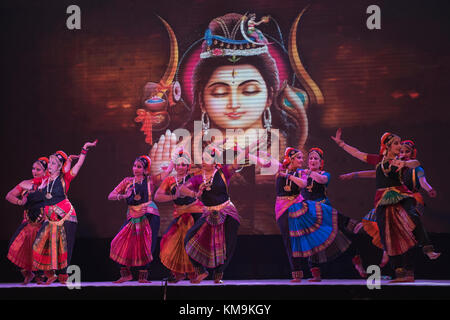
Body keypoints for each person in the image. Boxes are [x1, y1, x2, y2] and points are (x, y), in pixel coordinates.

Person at [332, 129, 439, 282]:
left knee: (413, 217)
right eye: (396, 143)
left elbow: (417, 163)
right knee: (388, 235)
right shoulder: (378, 160)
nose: (399, 146)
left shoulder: (400, 162)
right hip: (383, 199)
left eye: (400, 144)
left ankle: (428, 248)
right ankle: (399, 273)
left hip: (401, 195)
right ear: (388, 146)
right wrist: (342, 144)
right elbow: (357, 153)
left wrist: (404, 163)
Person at [272, 147, 352, 282]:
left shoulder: (309, 173)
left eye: (314, 158)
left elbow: (310, 182)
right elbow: (266, 161)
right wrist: (252, 152)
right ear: (291, 159)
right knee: (299, 240)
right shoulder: (288, 170)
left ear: (321, 162)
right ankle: (303, 274)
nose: (306, 161)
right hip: (291, 208)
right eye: (305, 158)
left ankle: (349, 224)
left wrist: (292, 175)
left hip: (311, 207)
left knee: (330, 228)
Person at [33, 141, 97, 285]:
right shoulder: (44, 180)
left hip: (66, 216)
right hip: (50, 218)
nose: (50, 166)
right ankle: (50, 274)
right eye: (49, 163)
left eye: (54, 163)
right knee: (39, 245)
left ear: (60, 166)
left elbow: (78, 165)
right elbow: (28, 183)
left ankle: (63, 278)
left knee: (64, 247)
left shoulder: (65, 178)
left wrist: (84, 150)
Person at [180, 144, 245, 284]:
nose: (203, 161)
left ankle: (219, 274)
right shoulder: (198, 178)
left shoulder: (223, 173)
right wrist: (195, 193)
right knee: (188, 239)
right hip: (208, 213)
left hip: (227, 211)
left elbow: (236, 163)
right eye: (203, 159)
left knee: (228, 244)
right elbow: (182, 189)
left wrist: (246, 148)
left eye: (207, 159)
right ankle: (201, 271)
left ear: (215, 162)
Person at [108, 155, 173, 283]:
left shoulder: (151, 180)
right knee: (119, 242)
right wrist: (123, 196)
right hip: (132, 215)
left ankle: (143, 276)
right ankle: (125, 274)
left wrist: (175, 157)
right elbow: (111, 195)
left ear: (145, 169)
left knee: (147, 245)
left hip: (149, 214)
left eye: (139, 167)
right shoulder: (127, 181)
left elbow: (167, 172)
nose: (136, 169)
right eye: (134, 166)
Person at [155, 149, 204, 282]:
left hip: (195, 215)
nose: (180, 167)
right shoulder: (170, 180)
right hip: (180, 215)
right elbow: (157, 196)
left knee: (191, 245)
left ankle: (193, 273)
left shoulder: (194, 177)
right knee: (170, 243)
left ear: (188, 166)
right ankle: (178, 274)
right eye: (177, 164)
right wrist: (173, 196)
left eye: (183, 164)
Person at [5, 157, 48, 284]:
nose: (34, 171)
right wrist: (19, 201)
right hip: (27, 223)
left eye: (38, 169)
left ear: (45, 171)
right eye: (33, 168)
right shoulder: (25, 183)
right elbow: (9, 195)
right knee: (15, 247)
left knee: (39, 250)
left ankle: (41, 276)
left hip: (42, 223)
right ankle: (28, 274)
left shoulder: (48, 184)